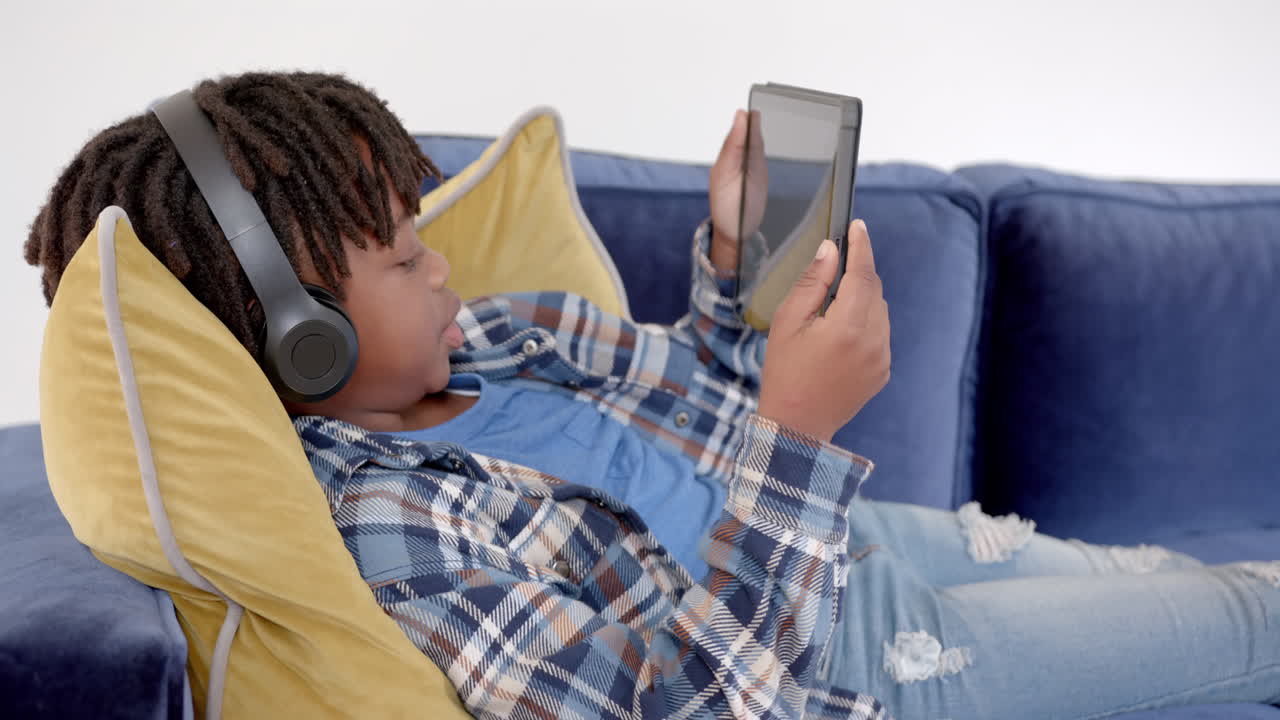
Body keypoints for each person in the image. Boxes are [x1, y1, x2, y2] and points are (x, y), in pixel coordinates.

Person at [25, 71, 1280, 720]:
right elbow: (685, 709)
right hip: (841, 671)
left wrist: (735, 265)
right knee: (1246, 619)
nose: (442, 265)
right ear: (301, 341)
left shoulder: (506, 338)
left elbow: (712, 398)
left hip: (867, 549)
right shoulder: (395, 532)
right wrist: (798, 434)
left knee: (1173, 574)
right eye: (402, 260)